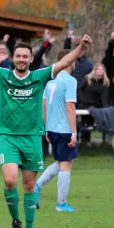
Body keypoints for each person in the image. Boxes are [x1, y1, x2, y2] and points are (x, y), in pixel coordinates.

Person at [0, 30, 92, 228]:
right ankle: (16, 221)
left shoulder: (38, 77)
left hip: (32, 138)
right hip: (8, 137)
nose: (21, 59)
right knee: (9, 181)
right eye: (18, 56)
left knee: (29, 185)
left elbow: (63, 64)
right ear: (13, 59)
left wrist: (81, 48)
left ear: (31, 59)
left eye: (25, 56)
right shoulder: (3, 75)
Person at [36, 50, 78, 213]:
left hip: (52, 129)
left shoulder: (50, 81)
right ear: (69, 61)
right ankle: (61, 203)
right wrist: (74, 132)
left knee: (59, 162)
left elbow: (44, 105)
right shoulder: (70, 81)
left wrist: (46, 127)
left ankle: (37, 187)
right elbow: (70, 107)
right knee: (66, 165)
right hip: (64, 129)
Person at [78, 64, 109, 145]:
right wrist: (82, 99)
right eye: (98, 69)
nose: (100, 71)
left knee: (99, 122)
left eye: (102, 70)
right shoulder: (87, 78)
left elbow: (104, 96)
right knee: (86, 123)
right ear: (95, 70)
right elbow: (80, 89)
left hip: (96, 106)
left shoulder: (105, 82)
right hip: (85, 104)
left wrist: (105, 107)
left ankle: (104, 141)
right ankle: (85, 141)